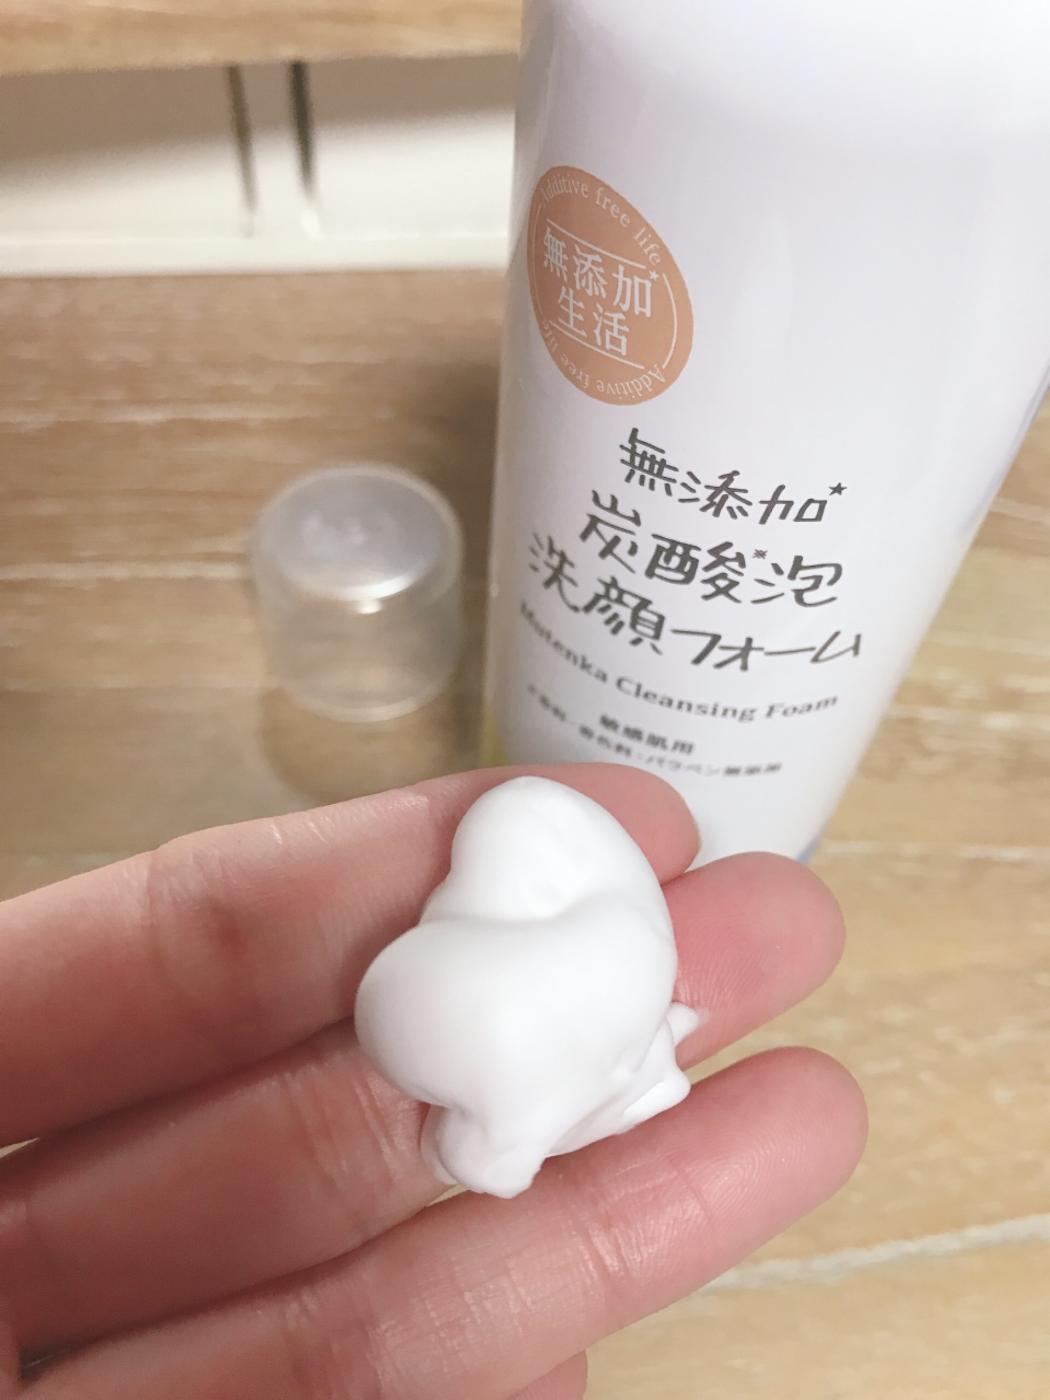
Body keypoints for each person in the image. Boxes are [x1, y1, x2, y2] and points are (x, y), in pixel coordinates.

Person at [0, 764, 865, 1399]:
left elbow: (498, 1159)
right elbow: (493, 1156)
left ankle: (605, 1075)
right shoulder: (533, 891)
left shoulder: (567, 934)